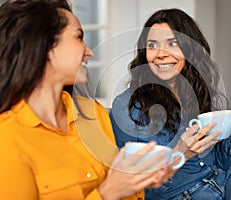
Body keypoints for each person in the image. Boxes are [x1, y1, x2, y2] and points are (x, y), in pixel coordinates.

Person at [110, 8, 231, 200]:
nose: (161, 54)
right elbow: (137, 189)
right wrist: (179, 153)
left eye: (172, 44)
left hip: (220, 182)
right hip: (178, 195)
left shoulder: (196, 94)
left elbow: (220, 162)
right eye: (152, 45)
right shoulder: (127, 106)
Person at [0, 1, 172, 199]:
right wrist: (107, 193)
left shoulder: (93, 114)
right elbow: (112, 190)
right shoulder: (7, 139)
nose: (89, 51)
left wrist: (138, 180)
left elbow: (125, 190)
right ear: (45, 46)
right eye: (79, 37)